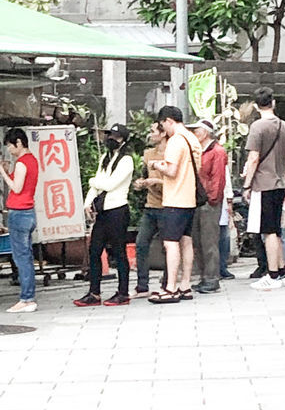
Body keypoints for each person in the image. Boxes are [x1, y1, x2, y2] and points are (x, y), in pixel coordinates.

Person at [146, 105, 202, 303]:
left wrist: (155, 164)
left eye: (163, 124)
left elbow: (171, 171)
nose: (164, 129)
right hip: (190, 198)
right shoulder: (193, 139)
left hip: (175, 198)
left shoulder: (176, 140)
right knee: (186, 241)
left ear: (169, 120)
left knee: (170, 244)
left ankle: (170, 287)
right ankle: (185, 285)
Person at [76, 124, 134, 307]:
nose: (110, 139)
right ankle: (94, 292)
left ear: (122, 140)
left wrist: (93, 181)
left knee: (118, 252)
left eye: (115, 137)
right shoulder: (105, 158)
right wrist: (87, 203)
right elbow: (98, 185)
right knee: (94, 250)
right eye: (109, 135)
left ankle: (123, 292)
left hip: (117, 210)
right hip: (102, 211)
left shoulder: (126, 161)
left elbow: (109, 184)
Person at [242, 87, 285, 291]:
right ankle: (281, 272)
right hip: (280, 182)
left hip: (263, 184)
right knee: (277, 231)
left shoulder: (257, 127)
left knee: (268, 231)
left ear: (256, 106)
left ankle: (272, 275)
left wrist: (247, 183)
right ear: (273, 103)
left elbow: (254, 157)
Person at [0, 128, 40, 313]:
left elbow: (16, 188)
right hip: (29, 212)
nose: (9, 150)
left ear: (19, 143)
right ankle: (29, 297)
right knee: (26, 256)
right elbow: (24, 185)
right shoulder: (32, 160)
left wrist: (2, 172)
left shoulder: (21, 163)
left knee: (22, 258)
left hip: (19, 213)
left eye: (11, 146)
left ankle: (27, 298)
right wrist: (8, 170)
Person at [188, 119, 227, 294]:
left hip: (208, 202)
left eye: (196, 131)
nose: (194, 134)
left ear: (205, 133)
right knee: (199, 241)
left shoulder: (216, 151)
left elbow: (218, 179)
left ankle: (211, 278)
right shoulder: (201, 151)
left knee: (209, 241)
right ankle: (205, 276)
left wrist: (211, 199)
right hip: (198, 200)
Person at [132, 120, 166, 297]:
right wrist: (141, 183)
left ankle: (168, 282)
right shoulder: (148, 154)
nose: (150, 134)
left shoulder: (173, 153)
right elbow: (144, 175)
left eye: (153, 131)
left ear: (163, 133)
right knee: (141, 243)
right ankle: (142, 284)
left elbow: (178, 181)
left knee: (168, 246)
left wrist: (157, 182)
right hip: (151, 204)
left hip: (168, 205)